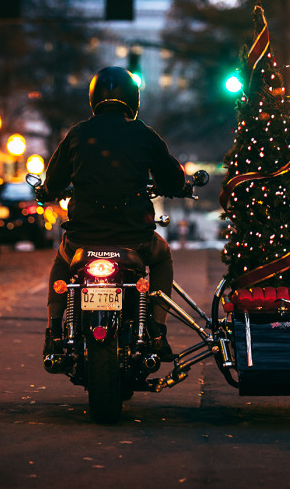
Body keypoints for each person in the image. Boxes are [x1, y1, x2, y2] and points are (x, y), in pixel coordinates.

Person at [40, 66, 186, 361]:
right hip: (134, 236)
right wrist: (180, 186)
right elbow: (171, 178)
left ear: (93, 99)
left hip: (83, 237)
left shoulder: (78, 133)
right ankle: (156, 329)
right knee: (162, 257)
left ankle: (54, 330)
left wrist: (45, 191)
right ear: (134, 100)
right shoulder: (143, 134)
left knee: (61, 261)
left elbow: (53, 181)